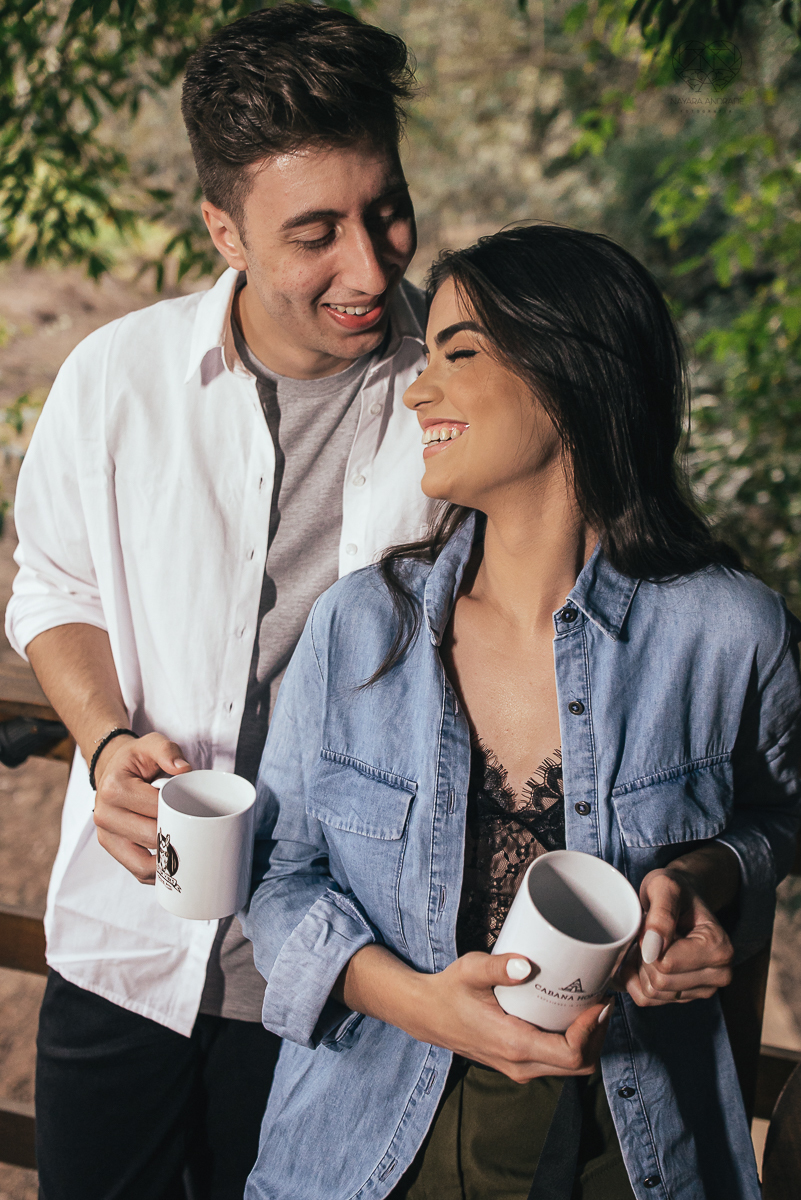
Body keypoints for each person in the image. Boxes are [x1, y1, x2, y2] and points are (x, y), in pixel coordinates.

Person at [242, 224, 801, 1200]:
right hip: (366, 1146)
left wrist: (705, 879)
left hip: (633, 1150)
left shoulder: (731, 632)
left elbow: (779, 817)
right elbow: (279, 876)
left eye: (458, 355)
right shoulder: (358, 629)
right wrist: (416, 1003)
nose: (418, 391)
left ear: (572, 373)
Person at [5, 6, 432, 1198]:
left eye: (387, 209)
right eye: (316, 233)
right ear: (224, 230)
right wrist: (104, 743)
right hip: (127, 953)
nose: (371, 267)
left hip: (350, 981)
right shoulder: (117, 377)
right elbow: (53, 585)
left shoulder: (465, 386)